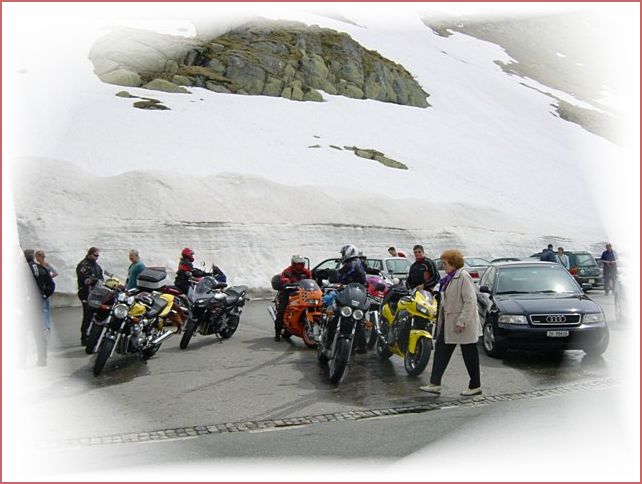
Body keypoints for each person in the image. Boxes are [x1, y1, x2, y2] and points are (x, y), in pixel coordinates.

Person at [420, 249, 482, 396]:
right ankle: (435, 383)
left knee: (470, 355)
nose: (443, 266)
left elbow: (470, 301)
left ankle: (475, 386)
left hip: (462, 325)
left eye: (445, 263)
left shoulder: (463, 277)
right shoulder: (449, 278)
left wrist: (462, 321)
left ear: (454, 263)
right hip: (450, 323)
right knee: (441, 351)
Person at [25, 249, 55, 365]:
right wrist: (43, 295)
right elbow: (51, 285)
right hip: (37, 302)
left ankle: (21, 362)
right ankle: (42, 359)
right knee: (38, 332)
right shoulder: (41, 268)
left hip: (23, 305)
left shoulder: (19, 269)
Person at [274, 255, 312, 342]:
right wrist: (287, 283)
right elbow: (284, 279)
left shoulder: (306, 272)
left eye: (301, 264)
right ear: (293, 264)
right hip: (288, 292)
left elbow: (310, 280)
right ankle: (277, 332)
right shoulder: (288, 271)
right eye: (298, 264)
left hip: (302, 293)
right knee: (282, 310)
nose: (300, 266)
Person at [76, 247, 104, 345]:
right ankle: (84, 337)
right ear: (89, 254)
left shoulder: (96, 266)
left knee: (96, 316)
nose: (97, 258)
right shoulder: (83, 265)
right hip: (86, 294)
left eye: (98, 256)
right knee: (87, 316)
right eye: (95, 255)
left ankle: (94, 336)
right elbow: (84, 280)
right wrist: (95, 280)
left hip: (96, 294)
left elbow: (101, 278)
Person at [35, 250, 58, 336]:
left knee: (45, 307)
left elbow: (55, 273)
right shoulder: (45, 265)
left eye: (37, 256)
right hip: (48, 287)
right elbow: (55, 273)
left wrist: (47, 278)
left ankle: (45, 325)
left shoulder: (43, 266)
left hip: (44, 288)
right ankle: (47, 325)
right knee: (46, 307)